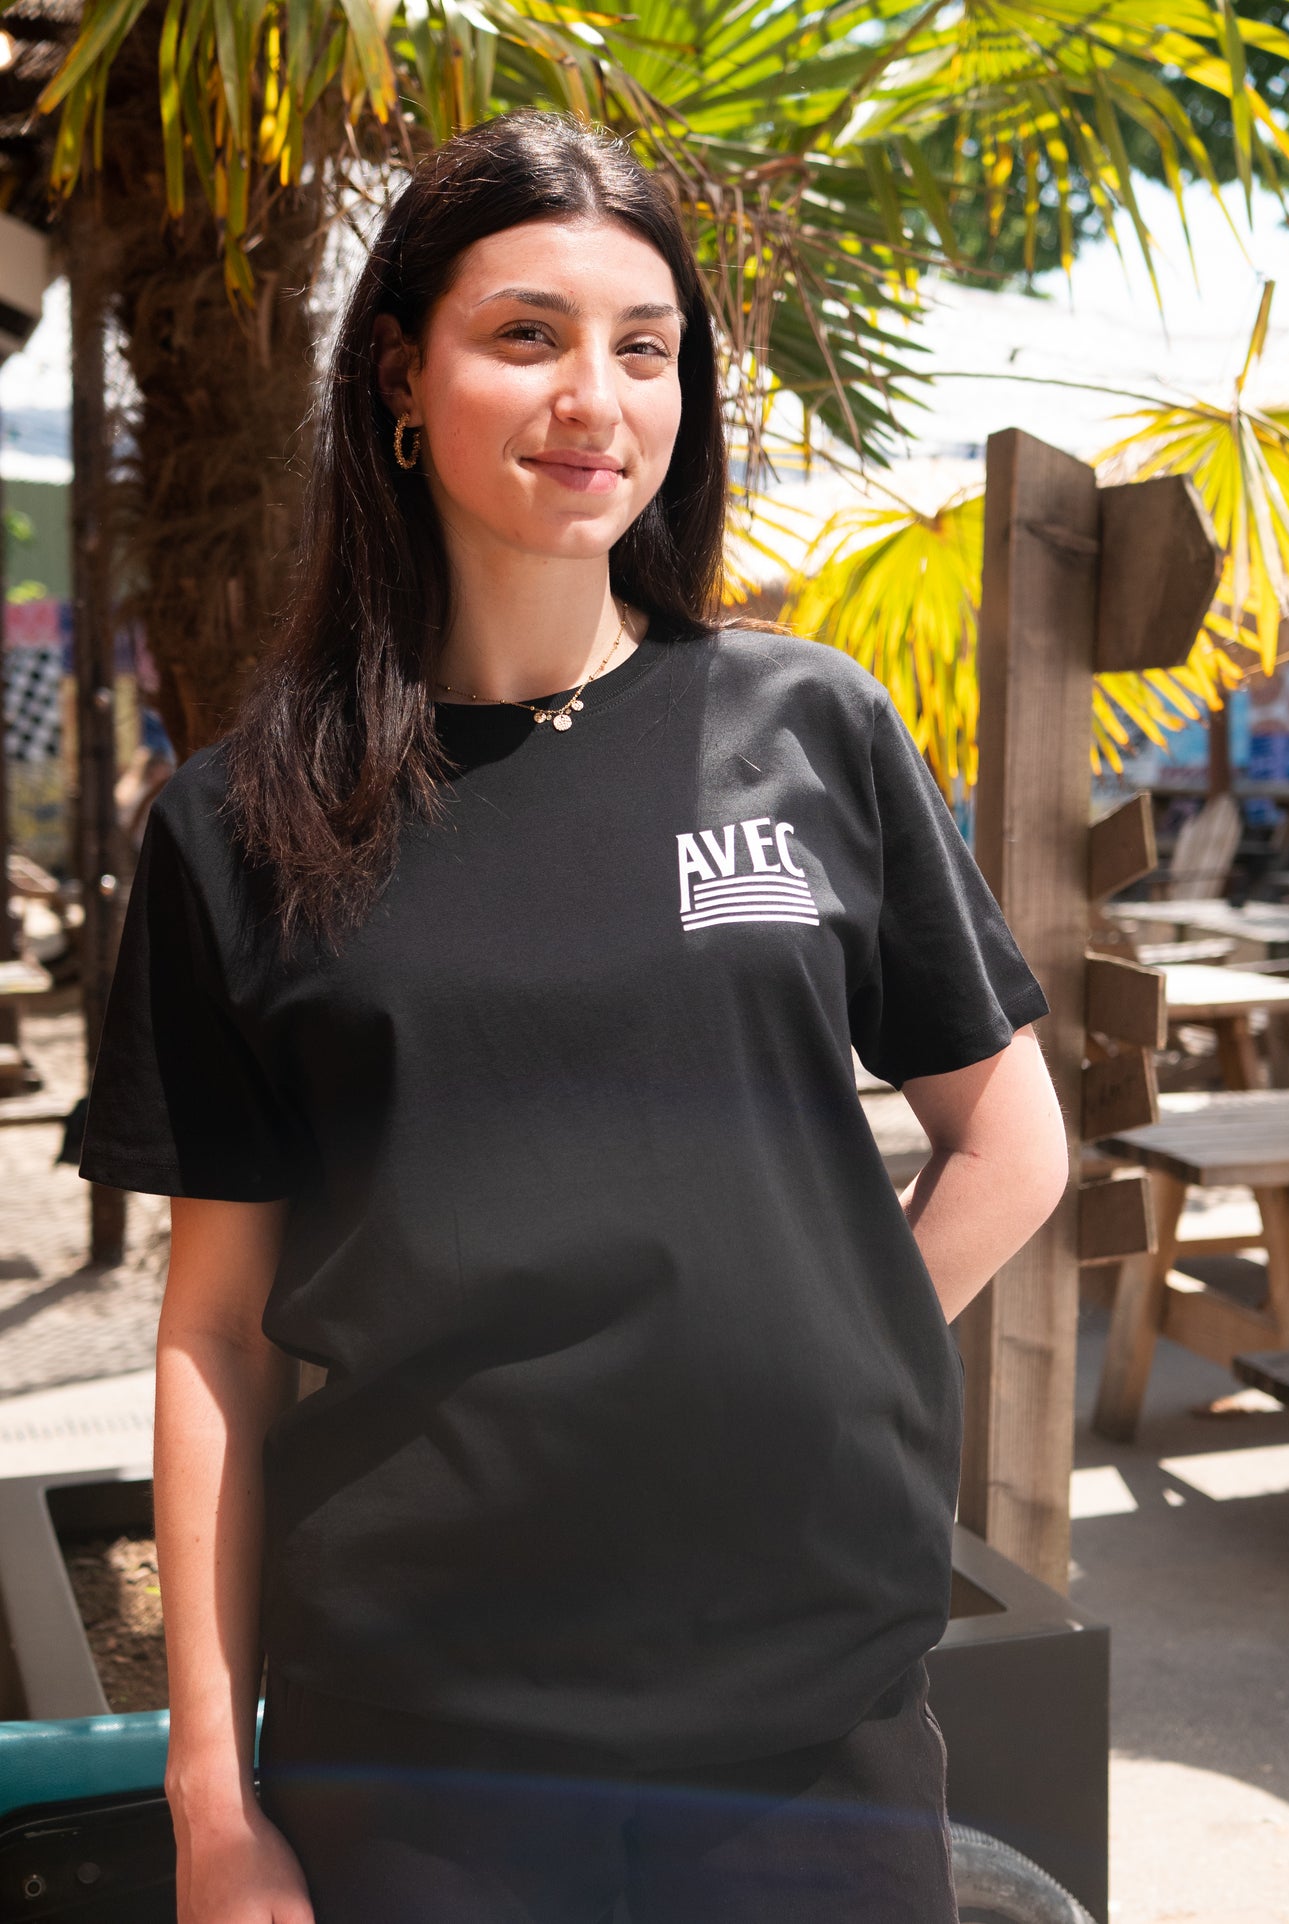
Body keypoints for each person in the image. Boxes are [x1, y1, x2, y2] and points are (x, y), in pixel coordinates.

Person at [77, 110, 1068, 1924]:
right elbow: (212, 1338)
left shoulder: (809, 727)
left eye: (643, 346)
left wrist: (822, 1348)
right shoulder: (241, 822)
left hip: (806, 1705)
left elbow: (1011, 1138)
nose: (593, 399)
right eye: (524, 335)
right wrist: (211, 1804)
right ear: (402, 370)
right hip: (423, 1737)